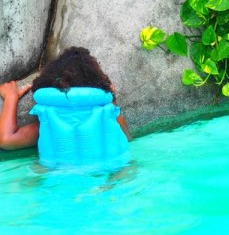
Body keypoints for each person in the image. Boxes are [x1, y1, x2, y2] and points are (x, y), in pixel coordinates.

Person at [0, 46, 131, 161]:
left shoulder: (48, 123)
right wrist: (111, 101)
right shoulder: (111, 117)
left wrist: (11, 98)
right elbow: (126, 140)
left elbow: (6, 140)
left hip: (59, 183)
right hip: (109, 181)